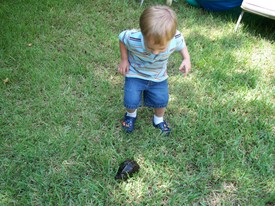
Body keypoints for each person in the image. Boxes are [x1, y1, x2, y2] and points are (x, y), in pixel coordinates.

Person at [118, 5, 191, 135]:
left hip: (159, 76)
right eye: (150, 48)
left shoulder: (175, 38)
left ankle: (158, 119)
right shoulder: (133, 38)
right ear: (142, 33)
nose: (155, 52)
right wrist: (124, 59)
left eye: (161, 49)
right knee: (131, 99)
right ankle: (131, 115)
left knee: (161, 100)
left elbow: (182, 45)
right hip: (135, 73)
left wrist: (186, 59)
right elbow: (122, 38)